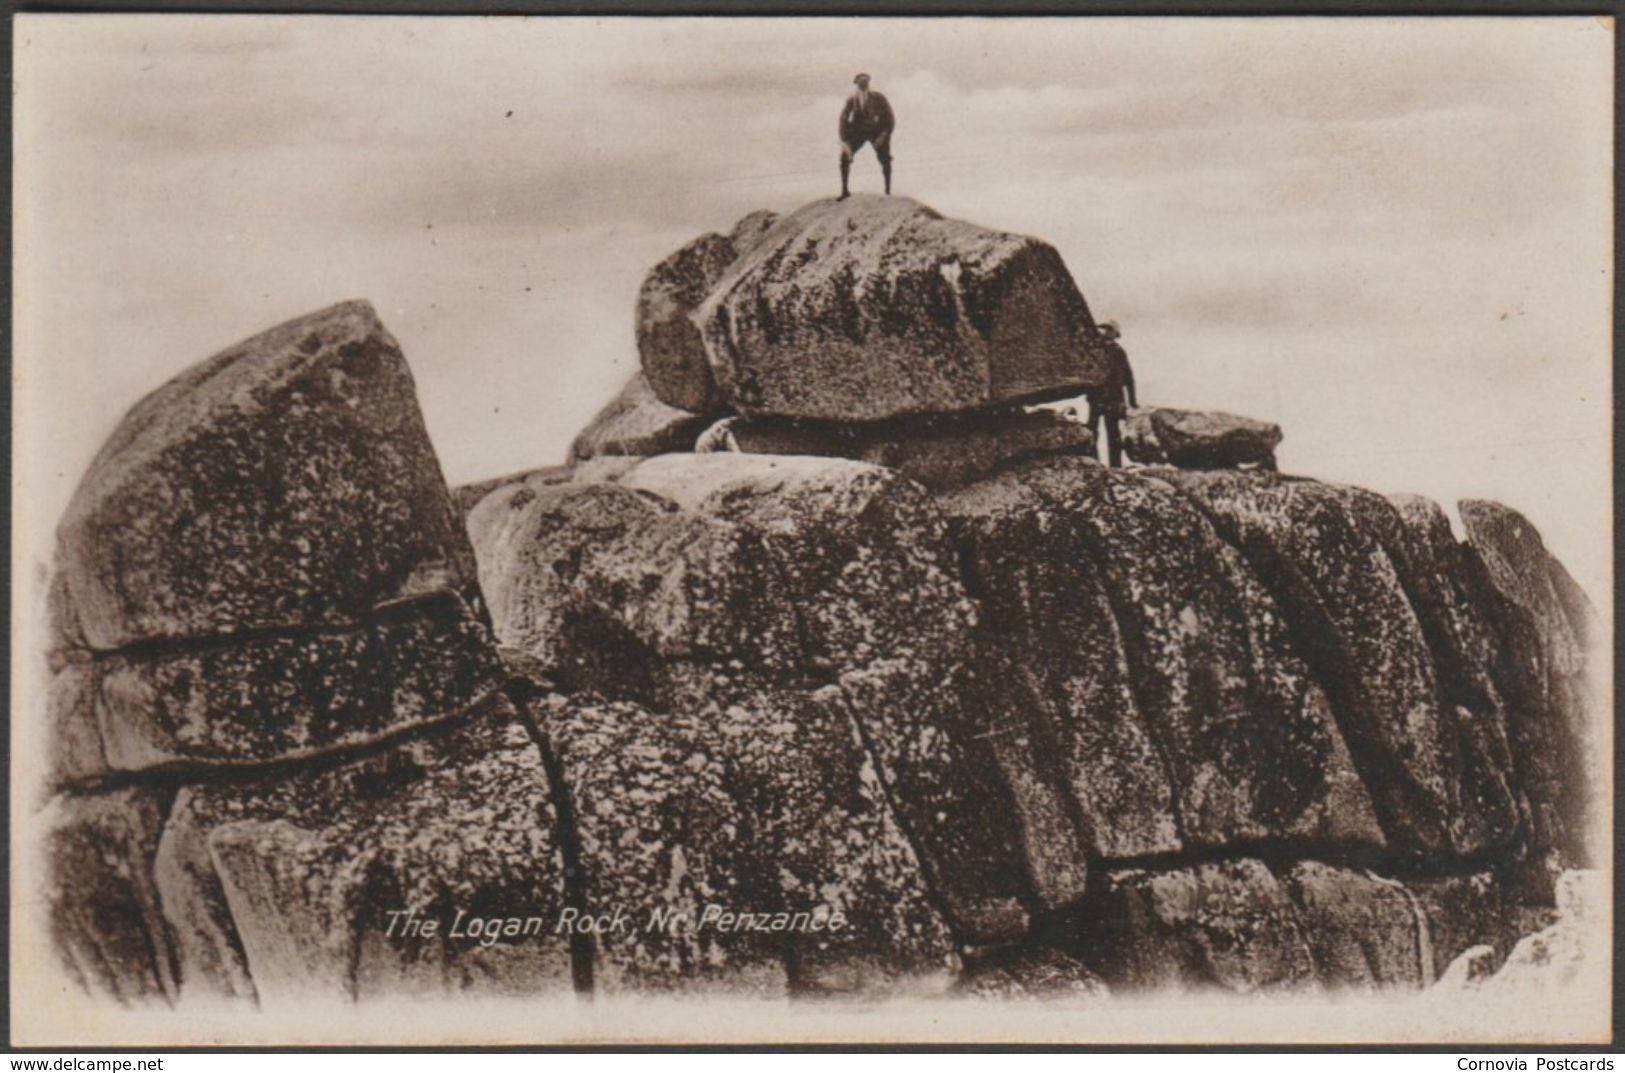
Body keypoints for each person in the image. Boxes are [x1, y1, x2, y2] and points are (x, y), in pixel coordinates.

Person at [1085, 321, 1137, 467]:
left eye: (1108, 329)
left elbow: (1128, 377)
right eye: (1104, 329)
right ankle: (1095, 463)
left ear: (1114, 334)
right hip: (1100, 397)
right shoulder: (1097, 350)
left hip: (1110, 398)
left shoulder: (1117, 351)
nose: (1105, 332)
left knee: (1111, 433)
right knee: (1094, 431)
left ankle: (1114, 466)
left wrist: (1132, 401)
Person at [839, 73, 895, 200]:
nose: (863, 85)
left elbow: (889, 117)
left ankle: (887, 191)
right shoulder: (852, 100)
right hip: (858, 133)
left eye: (865, 82)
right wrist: (844, 141)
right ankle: (844, 191)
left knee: (885, 159)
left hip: (877, 132)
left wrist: (884, 135)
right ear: (856, 84)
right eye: (860, 83)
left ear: (869, 83)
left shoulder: (879, 98)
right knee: (844, 157)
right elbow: (843, 118)